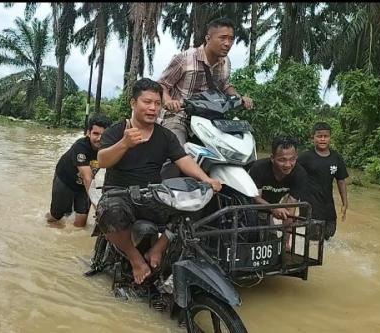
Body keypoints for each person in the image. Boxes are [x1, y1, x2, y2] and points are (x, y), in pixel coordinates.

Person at [96, 78, 222, 284]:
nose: (153, 108)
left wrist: (207, 180)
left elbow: (184, 160)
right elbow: (102, 160)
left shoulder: (166, 136)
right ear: (133, 103)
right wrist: (125, 143)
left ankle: (158, 249)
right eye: (147, 102)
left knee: (196, 205)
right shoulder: (117, 131)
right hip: (119, 194)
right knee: (111, 212)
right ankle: (135, 259)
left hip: (152, 195)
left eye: (157, 103)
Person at [158, 17, 254, 146]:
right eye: (223, 38)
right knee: (176, 155)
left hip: (209, 120)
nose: (227, 43)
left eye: (231, 39)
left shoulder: (226, 62)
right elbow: (162, 84)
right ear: (208, 38)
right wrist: (169, 101)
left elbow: (225, 86)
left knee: (236, 147)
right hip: (180, 116)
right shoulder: (185, 58)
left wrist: (239, 98)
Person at [46, 114, 112, 228]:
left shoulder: (110, 148)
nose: (100, 138)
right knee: (56, 217)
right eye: (96, 134)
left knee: (81, 224)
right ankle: (45, 220)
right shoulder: (80, 147)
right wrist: (97, 206)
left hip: (83, 187)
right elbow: (87, 177)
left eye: (104, 134)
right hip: (65, 180)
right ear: (88, 133)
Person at [249, 136, 308, 248]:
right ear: (272, 158)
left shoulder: (300, 174)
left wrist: (286, 243)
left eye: (292, 159)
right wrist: (273, 208)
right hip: (250, 206)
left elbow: (290, 210)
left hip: (270, 207)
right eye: (282, 160)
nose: (288, 165)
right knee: (254, 236)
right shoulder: (259, 168)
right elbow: (255, 198)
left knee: (271, 239)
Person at [298, 122, 349, 240]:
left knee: (329, 235)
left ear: (330, 138)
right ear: (313, 138)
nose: (322, 139)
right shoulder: (305, 157)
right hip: (310, 206)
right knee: (314, 240)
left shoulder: (336, 157)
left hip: (328, 207)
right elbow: (293, 175)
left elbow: (341, 181)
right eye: (319, 136)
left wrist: (345, 203)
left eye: (325, 136)